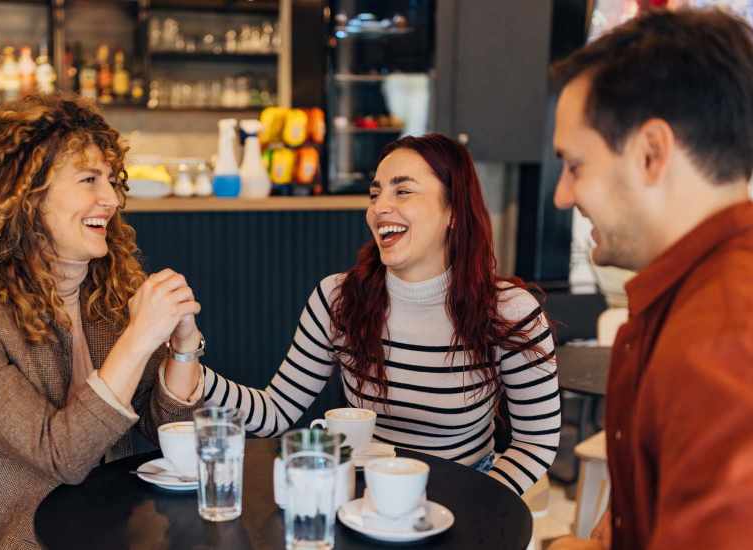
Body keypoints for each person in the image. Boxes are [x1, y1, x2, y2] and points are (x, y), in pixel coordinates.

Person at [0, 94, 205, 549]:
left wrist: (182, 348)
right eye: (89, 179)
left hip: (106, 521)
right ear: (25, 196)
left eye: (111, 180)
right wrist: (141, 337)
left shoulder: (108, 294)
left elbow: (160, 428)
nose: (112, 199)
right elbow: (60, 454)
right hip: (4, 534)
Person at [202, 134, 561, 494]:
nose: (379, 208)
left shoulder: (510, 311)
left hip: (466, 491)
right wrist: (191, 370)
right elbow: (275, 412)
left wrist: (479, 502)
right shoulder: (338, 299)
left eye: (402, 191)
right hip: (367, 492)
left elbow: (536, 442)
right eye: (375, 195)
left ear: (453, 211)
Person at [547, 8, 753, 550]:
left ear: (650, 154)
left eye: (576, 165)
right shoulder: (690, 300)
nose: (562, 196)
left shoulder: (721, 339)